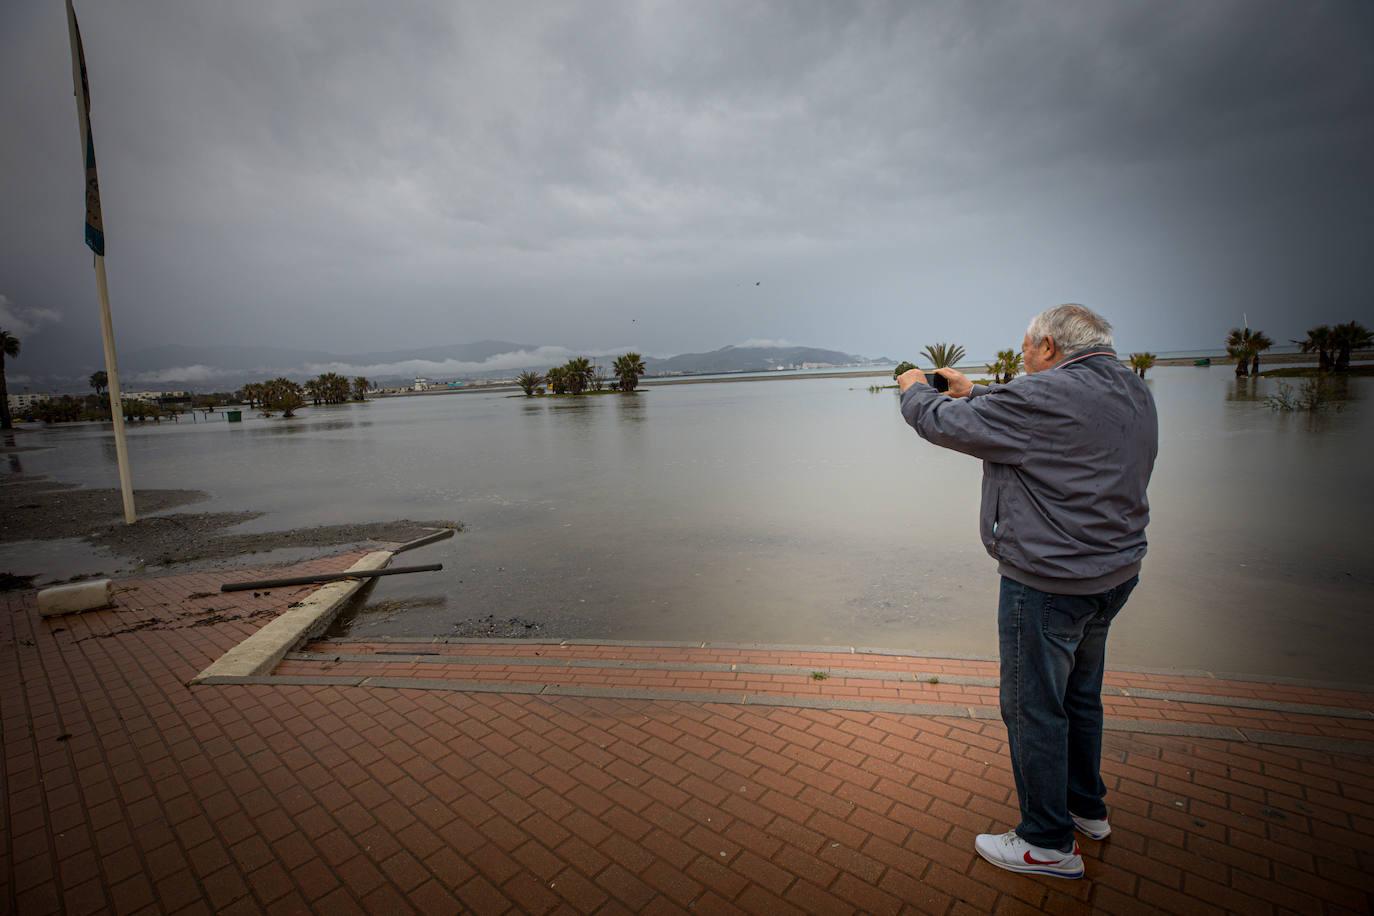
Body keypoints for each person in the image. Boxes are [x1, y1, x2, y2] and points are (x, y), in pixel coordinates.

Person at [896, 304, 1158, 879]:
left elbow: (942, 424)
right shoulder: (1132, 388)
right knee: (1080, 699)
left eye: (1023, 350)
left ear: (1047, 347)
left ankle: (1046, 842)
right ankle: (1087, 810)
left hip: (1049, 582)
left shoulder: (1043, 396)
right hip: (1114, 576)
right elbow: (1036, 418)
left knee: (1034, 708)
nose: (1021, 360)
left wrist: (914, 388)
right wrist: (974, 391)